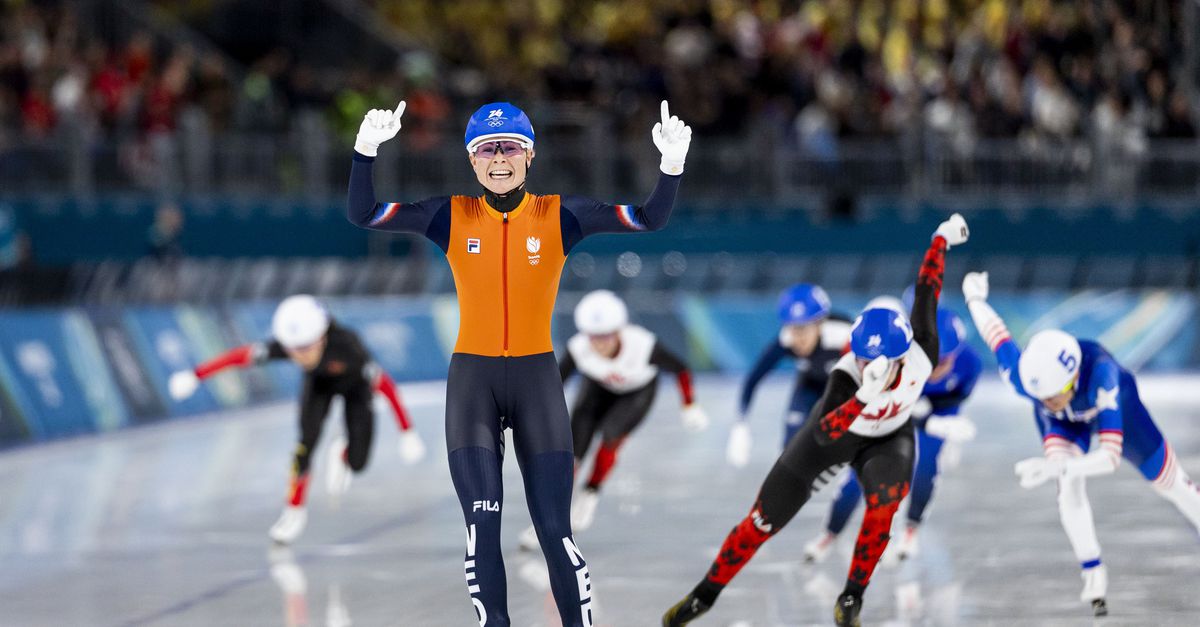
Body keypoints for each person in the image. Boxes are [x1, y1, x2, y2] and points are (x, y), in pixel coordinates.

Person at [346, 99, 691, 626]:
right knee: (482, 526)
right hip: (473, 386)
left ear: (529, 156)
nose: (498, 159)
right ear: (471, 160)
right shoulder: (449, 215)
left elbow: (649, 219)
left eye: (509, 147)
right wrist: (365, 152)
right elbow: (364, 214)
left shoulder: (562, 215)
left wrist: (671, 167)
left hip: (536, 382)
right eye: (486, 149)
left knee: (555, 530)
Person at [662, 214, 969, 627]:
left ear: (901, 355)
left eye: (872, 361)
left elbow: (927, 288)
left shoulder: (925, 349)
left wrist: (940, 239)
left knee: (883, 509)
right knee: (761, 521)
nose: (864, 364)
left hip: (889, 438)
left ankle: (851, 598)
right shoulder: (846, 375)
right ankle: (704, 595)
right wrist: (864, 394)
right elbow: (826, 432)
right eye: (859, 356)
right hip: (835, 436)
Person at [961, 271, 1200, 617]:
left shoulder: (1104, 375)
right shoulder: (1026, 379)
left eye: (1051, 397)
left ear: (1073, 379)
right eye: (1038, 398)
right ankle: (1092, 570)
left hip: (1124, 412)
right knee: (1068, 485)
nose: (1045, 404)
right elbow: (997, 336)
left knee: (1173, 485)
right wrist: (975, 299)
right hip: (1066, 426)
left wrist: (1056, 465)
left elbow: (1110, 457)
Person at [167, 295, 425, 543]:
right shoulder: (291, 345)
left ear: (322, 338)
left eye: (304, 349)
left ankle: (343, 453)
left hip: (355, 391)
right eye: (293, 351)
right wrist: (195, 375)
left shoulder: (348, 347)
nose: (299, 356)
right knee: (305, 444)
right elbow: (239, 357)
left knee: (358, 463)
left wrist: (407, 430)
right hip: (318, 386)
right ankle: (293, 510)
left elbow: (386, 385)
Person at [805, 307, 981, 563]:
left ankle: (911, 528)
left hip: (940, 407)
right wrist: (924, 418)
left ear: (957, 354)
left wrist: (937, 415)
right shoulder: (898, 363)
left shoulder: (971, 364)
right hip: (899, 404)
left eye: (942, 362)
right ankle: (830, 533)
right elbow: (884, 405)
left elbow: (959, 394)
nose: (934, 370)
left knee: (926, 465)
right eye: (930, 360)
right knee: (860, 473)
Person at [536, 289, 707, 540]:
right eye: (594, 337)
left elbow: (681, 369)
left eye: (606, 336)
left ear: (619, 331)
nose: (600, 344)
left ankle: (591, 492)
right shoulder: (578, 349)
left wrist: (690, 405)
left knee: (611, 433)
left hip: (636, 393)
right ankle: (554, 512)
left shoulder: (643, 345)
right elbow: (553, 386)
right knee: (572, 448)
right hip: (596, 389)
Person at [725, 283, 851, 467]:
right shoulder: (786, 340)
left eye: (803, 329)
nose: (797, 338)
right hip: (810, 384)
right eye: (792, 328)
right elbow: (754, 378)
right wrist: (740, 424)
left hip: (844, 388)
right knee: (791, 448)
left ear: (820, 324)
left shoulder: (844, 336)